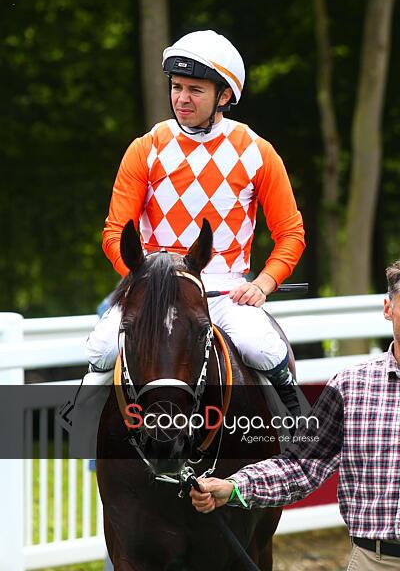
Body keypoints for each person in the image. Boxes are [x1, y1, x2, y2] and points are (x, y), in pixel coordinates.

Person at [86, 29, 305, 416]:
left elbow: (291, 233)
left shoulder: (258, 152)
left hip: (225, 294)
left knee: (262, 347)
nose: (182, 98)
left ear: (225, 95)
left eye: (195, 90)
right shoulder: (145, 148)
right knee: (101, 349)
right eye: (176, 87)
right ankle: (78, 429)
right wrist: (143, 279)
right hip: (153, 289)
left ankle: (298, 423)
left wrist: (263, 283)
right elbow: (114, 232)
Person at [190, 260, 400, 570]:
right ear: (388, 309)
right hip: (374, 560)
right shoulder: (351, 386)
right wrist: (233, 488)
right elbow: (301, 466)